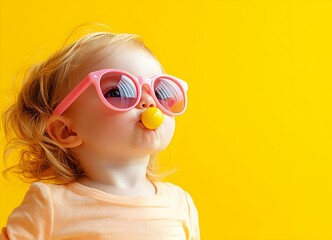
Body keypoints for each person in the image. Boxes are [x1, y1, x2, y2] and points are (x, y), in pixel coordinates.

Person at [0, 30, 200, 240]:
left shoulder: (180, 204)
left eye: (161, 91)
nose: (150, 101)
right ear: (66, 130)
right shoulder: (50, 206)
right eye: (118, 92)